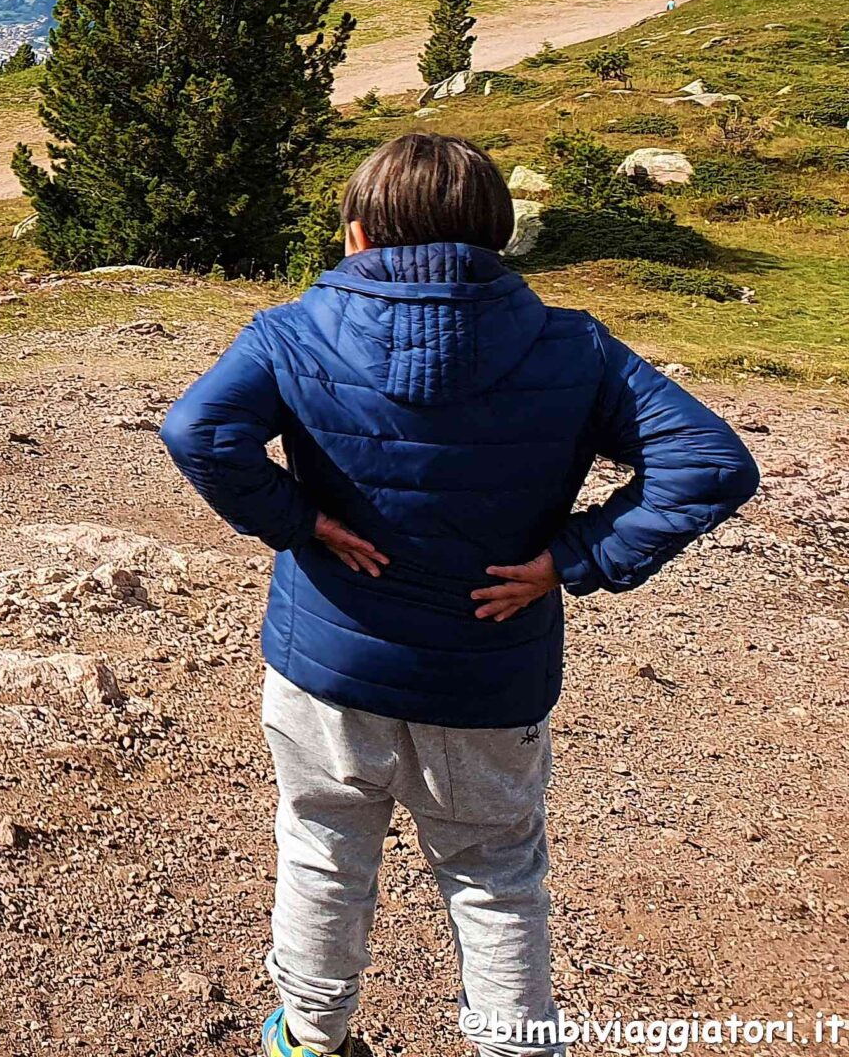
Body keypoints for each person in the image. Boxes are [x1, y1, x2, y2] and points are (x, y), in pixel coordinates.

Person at [159, 133, 757, 1057]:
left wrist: (300, 522)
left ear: (356, 233)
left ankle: (312, 1038)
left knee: (323, 848)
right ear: (499, 235)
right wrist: (574, 558)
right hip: (489, 673)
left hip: (330, 659)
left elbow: (198, 429)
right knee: (494, 872)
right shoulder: (574, 347)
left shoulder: (293, 329)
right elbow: (710, 464)